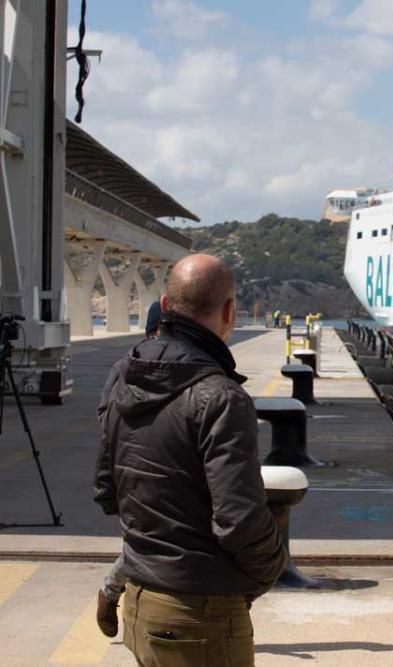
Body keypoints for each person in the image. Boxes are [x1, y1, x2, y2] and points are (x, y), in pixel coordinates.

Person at [93, 254, 286, 666]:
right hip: (201, 614)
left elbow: (107, 488)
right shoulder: (221, 397)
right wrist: (271, 567)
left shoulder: (121, 375)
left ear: (164, 306)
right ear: (230, 312)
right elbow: (239, 521)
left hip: (142, 603)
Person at [95, 300, 164, 638]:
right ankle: (111, 593)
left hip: (171, 469)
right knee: (140, 544)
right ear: (151, 330)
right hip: (133, 470)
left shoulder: (190, 365)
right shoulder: (125, 368)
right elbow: (106, 422)